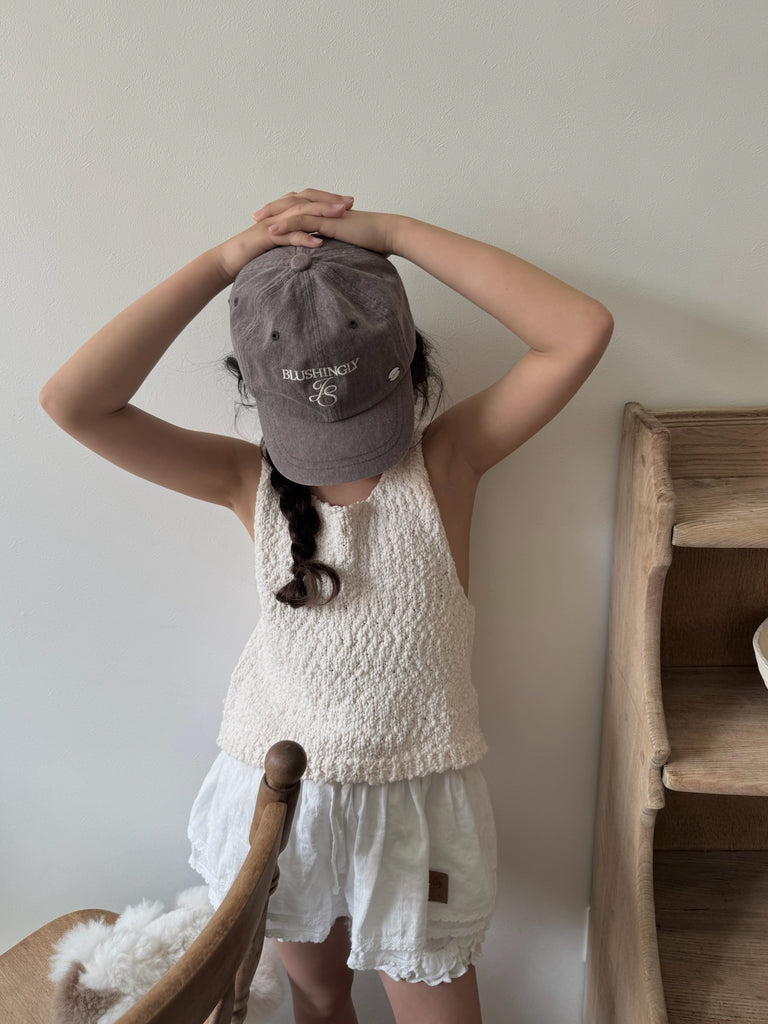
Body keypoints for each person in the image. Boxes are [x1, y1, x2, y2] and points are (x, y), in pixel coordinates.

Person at [39, 187, 613, 1024]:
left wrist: (394, 233)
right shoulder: (246, 480)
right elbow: (73, 401)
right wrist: (223, 262)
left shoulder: (444, 468)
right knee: (317, 995)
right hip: (282, 797)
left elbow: (579, 330)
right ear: (253, 389)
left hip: (412, 807)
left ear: (408, 365)